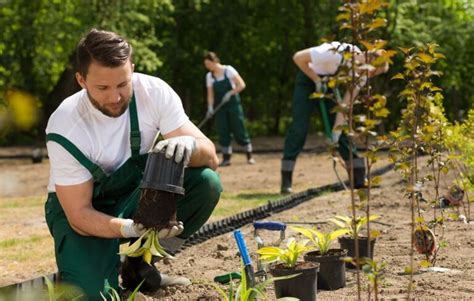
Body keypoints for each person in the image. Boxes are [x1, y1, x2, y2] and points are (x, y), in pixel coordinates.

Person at [45, 29, 222, 300]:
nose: (115, 97)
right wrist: (128, 228)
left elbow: (211, 157)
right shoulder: (66, 126)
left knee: (206, 183)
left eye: (123, 84)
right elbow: (79, 215)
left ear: (133, 70)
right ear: (81, 80)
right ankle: (89, 267)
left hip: (132, 194)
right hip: (81, 210)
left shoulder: (154, 92)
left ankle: (140, 263)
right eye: (103, 88)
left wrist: (190, 146)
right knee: (94, 295)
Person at [281, 41, 389, 193]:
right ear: (369, 61)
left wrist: (335, 135)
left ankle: (358, 178)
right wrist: (316, 80)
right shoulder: (334, 53)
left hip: (330, 82)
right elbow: (298, 57)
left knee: (342, 129)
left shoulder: (361, 75)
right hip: (307, 78)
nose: (369, 76)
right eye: (372, 72)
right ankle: (286, 180)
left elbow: (345, 106)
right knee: (300, 127)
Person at [203, 51, 255, 166]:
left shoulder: (229, 70)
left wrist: (230, 93)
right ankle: (226, 159)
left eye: (208, 64)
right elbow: (210, 94)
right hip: (220, 107)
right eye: (206, 65)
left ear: (215, 61)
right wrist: (210, 107)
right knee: (223, 130)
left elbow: (242, 85)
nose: (207, 67)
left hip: (233, 105)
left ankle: (249, 156)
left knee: (239, 128)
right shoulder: (209, 76)